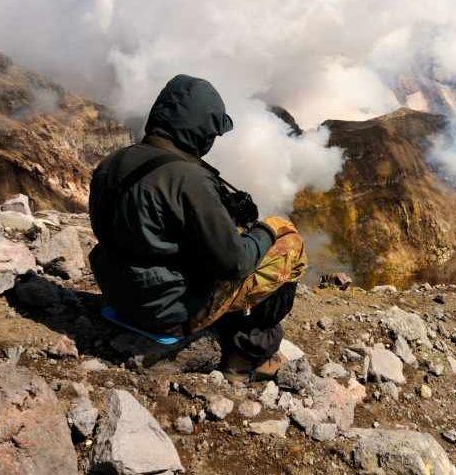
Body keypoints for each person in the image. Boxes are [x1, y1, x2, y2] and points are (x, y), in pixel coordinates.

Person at [88, 74, 307, 378]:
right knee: (288, 238)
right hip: (167, 310)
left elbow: (151, 231)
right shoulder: (189, 179)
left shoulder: (114, 162)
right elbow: (235, 263)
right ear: (201, 129)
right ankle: (253, 351)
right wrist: (265, 230)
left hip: (118, 292)